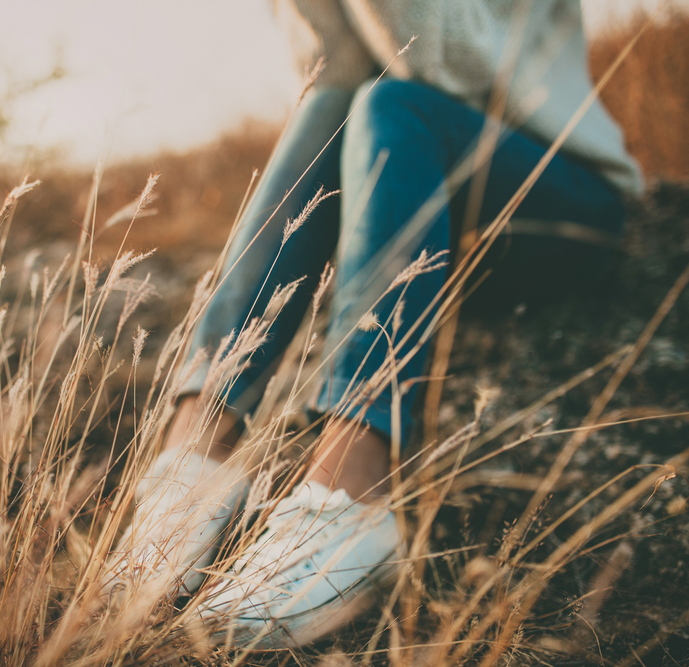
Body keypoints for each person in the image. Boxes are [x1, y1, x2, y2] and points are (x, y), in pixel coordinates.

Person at [107, 0, 642, 649]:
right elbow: (335, 69)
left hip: (559, 201)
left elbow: (444, 66)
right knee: (329, 107)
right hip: (434, 217)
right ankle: (198, 445)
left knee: (393, 105)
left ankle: (352, 487)